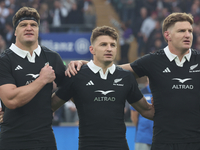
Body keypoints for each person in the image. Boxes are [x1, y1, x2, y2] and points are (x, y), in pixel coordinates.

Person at [66, 12, 200, 150]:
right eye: (182, 31)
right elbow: (114, 71)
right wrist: (87, 65)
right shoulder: (153, 60)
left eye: (190, 30)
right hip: (164, 141)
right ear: (167, 35)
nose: (188, 35)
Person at [51, 26, 155, 150]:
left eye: (112, 45)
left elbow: (146, 110)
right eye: (103, 44)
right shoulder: (76, 76)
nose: (109, 49)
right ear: (92, 49)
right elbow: (50, 106)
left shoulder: (126, 77)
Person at [0, 7, 65, 150]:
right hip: (12, 139)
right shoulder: (4, 60)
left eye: (33, 25)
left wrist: (51, 105)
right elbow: (11, 100)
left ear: (38, 30)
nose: (29, 28)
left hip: (45, 139)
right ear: (15, 31)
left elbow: (70, 88)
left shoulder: (52, 57)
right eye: (23, 25)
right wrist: (42, 79)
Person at [130, 77, 153, 150]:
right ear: (147, 78)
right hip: (143, 137)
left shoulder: (163, 94)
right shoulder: (140, 93)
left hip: (161, 138)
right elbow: (134, 117)